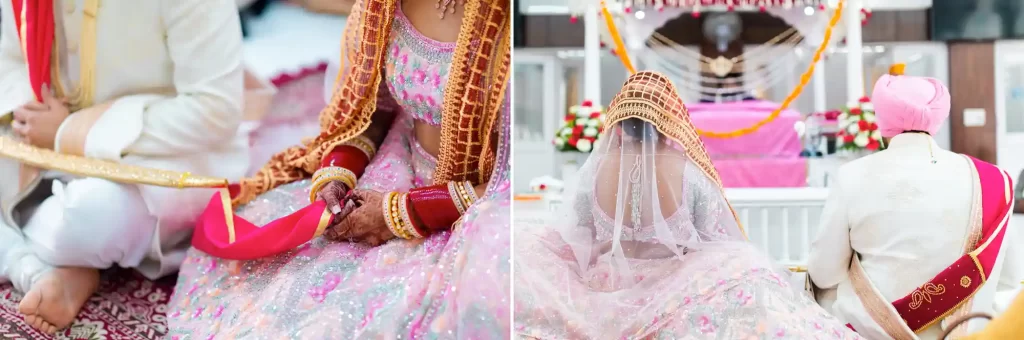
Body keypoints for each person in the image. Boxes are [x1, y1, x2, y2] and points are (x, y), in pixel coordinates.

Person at [166, 0, 511, 337]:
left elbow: (518, 178)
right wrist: (338, 172)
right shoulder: (381, 5)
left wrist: (401, 213)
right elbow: (371, 109)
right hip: (402, 162)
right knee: (288, 274)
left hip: (483, 203)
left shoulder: (516, 24)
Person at [514, 71, 862, 339]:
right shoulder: (688, 171)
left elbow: (580, 234)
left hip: (608, 282)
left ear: (619, 121)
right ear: (668, 120)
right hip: (675, 286)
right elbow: (714, 236)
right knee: (743, 262)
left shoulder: (595, 171)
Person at [0, 0, 246, 334]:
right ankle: (38, 269)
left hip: (159, 157)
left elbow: (216, 109)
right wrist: (30, 114)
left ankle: (40, 252)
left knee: (88, 216)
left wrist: (70, 130)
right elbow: (13, 60)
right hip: (45, 145)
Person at [808, 66, 1022, 339]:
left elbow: (823, 275)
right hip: (963, 334)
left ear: (881, 119)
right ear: (939, 117)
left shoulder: (851, 176)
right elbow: (1008, 279)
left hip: (868, 333)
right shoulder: (993, 180)